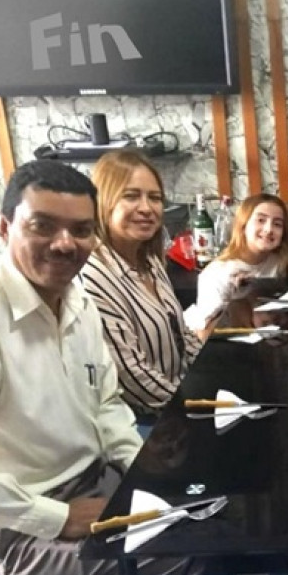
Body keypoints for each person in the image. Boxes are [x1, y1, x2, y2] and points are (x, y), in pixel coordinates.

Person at [0, 159, 188, 575]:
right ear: (4, 228)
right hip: (11, 524)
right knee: (181, 555)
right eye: (42, 226)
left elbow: (105, 403)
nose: (64, 244)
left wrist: (139, 461)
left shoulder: (78, 298)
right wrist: (57, 517)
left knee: (213, 513)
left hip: (94, 482)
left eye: (81, 230)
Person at [80, 150, 201, 422]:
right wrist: (196, 408)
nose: (147, 208)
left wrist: (207, 380)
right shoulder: (92, 276)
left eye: (155, 198)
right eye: (131, 196)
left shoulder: (149, 259)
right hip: (140, 424)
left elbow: (182, 336)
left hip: (176, 404)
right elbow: (132, 377)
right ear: (103, 202)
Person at [188, 193, 288, 337]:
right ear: (243, 226)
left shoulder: (280, 262)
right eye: (261, 220)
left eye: (277, 224)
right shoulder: (217, 274)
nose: (268, 229)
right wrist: (235, 300)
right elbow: (204, 335)